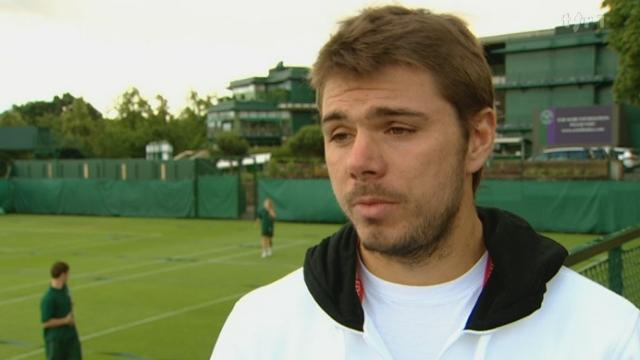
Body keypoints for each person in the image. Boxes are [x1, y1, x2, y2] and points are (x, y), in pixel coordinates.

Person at [211, 6, 639, 359]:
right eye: (340, 135)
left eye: (397, 128)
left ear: (478, 138)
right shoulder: (260, 330)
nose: (359, 162)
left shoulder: (606, 337)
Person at [41, 261, 82, 360]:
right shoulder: (49, 298)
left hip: (71, 337)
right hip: (56, 341)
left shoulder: (65, 289)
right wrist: (65, 321)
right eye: (68, 274)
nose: (69, 277)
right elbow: (46, 323)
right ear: (63, 275)